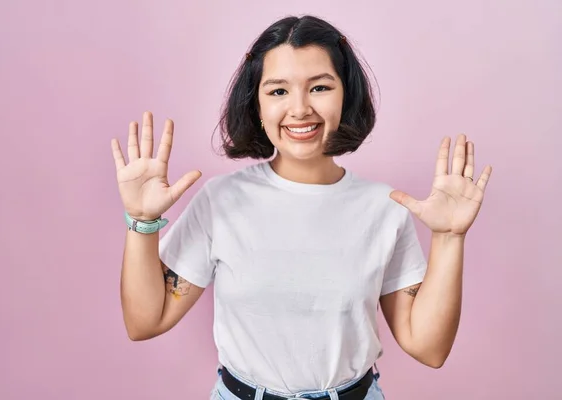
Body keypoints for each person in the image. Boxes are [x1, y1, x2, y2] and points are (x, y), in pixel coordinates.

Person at [110, 15, 492, 400]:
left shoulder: (384, 208)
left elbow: (428, 348)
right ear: (256, 105)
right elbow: (145, 321)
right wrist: (142, 221)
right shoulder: (221, 201)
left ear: (347, 96)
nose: (299, 109)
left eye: (320, 87)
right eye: (278, 91)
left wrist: (448, 237)